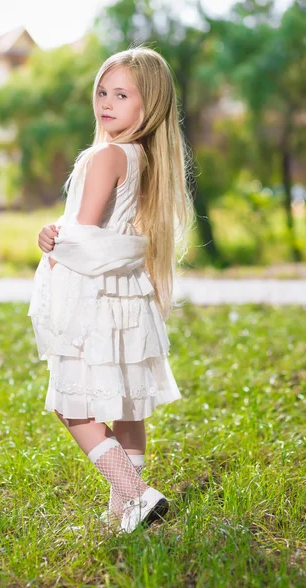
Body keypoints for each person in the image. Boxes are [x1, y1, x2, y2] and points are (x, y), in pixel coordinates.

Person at [28, 46, 195, 534]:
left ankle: (139, 496)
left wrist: (55, 244)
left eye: (122, 95)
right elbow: (105, 224)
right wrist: (54, 232)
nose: (106, 103)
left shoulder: (104, 155)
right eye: (103, 91)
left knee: (70, 404)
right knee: (126, 404)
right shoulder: (143, 156)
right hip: (127, 297)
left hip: (95, 298)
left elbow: (81, 233)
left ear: (150, 105)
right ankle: (123, 509)